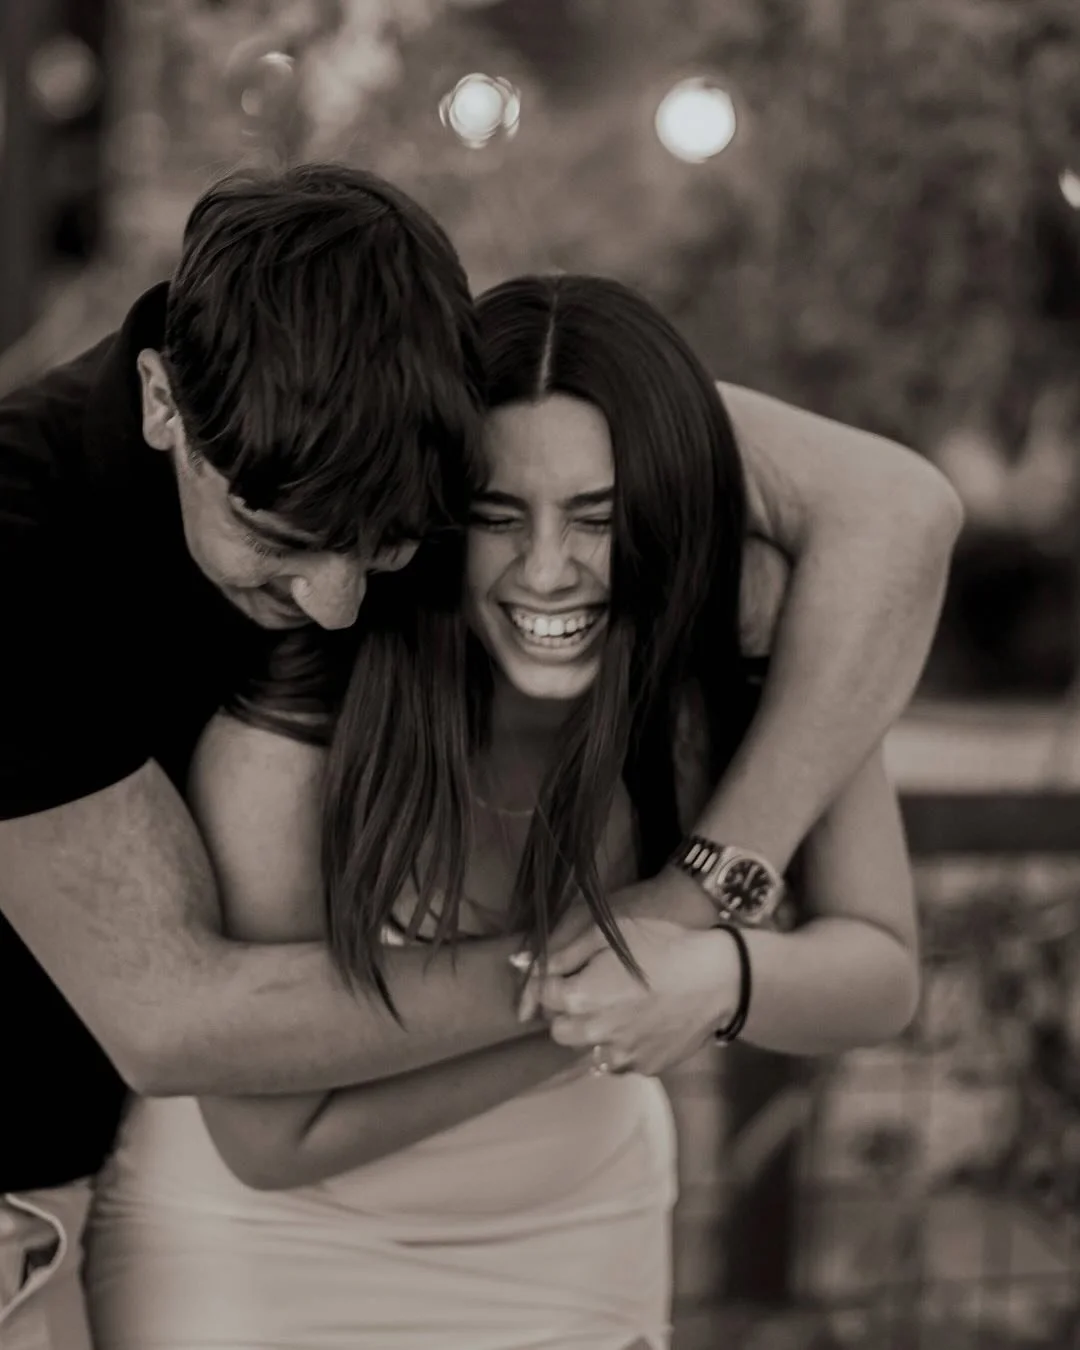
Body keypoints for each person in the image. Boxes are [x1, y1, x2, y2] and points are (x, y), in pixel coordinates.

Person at [0, 165, 959, 1350]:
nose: (338, 607)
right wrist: (625, 949)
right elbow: (177, 1025)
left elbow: (900, 506)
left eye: (389, 538)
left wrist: (714, 890)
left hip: (562, 1243)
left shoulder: (526, 467)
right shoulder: (33, 559)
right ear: (161, 407)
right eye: (279, 540)